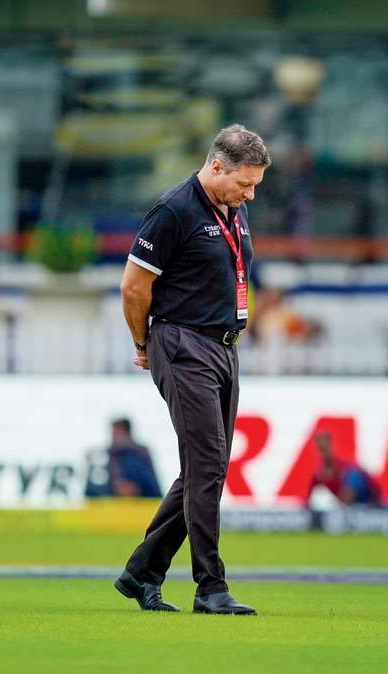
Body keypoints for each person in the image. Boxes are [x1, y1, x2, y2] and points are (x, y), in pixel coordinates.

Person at [114, 125, 269, 615]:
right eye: (245, 184)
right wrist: (144, 344)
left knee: (208, 468)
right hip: (182, 343)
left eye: (256, 185)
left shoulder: (233, 210)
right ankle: (210, 586)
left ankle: (141, 573)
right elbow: (133, 288)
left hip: (223, 347)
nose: (250, 194)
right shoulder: (174, 210)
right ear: (216, 166)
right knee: (207, 466)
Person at [308, 432, 378, 506]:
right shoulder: (319, 474)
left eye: (325, 448)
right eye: (321, 449)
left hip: (367, 494)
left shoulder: (344, 465)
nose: (325, 453)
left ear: (331, 445)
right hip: (349, 503)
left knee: (353, 475)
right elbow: (309, 497)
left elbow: (369, 481)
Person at [103, 418, 161, 498]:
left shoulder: (134, 455)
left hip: (145, 502)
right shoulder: (115, 456)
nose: (113, 437)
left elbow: (131, 489)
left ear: (125, 432)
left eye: (115, 433)